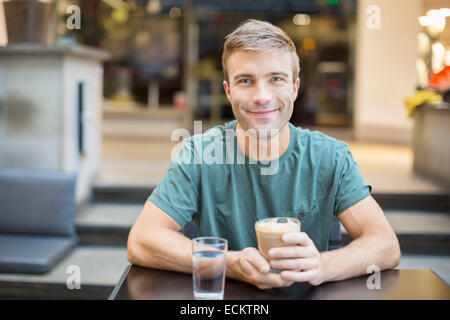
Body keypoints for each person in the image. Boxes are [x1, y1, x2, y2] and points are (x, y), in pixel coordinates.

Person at [127, 19, 401, 289]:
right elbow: (142, 240)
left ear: (294, 87)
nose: (262, 96)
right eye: (246, 80)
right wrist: (229, 263)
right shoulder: (199, 155)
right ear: (228, 90)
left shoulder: (332, 157)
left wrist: (323, 266)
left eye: (276, 79)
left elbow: (385, 245)